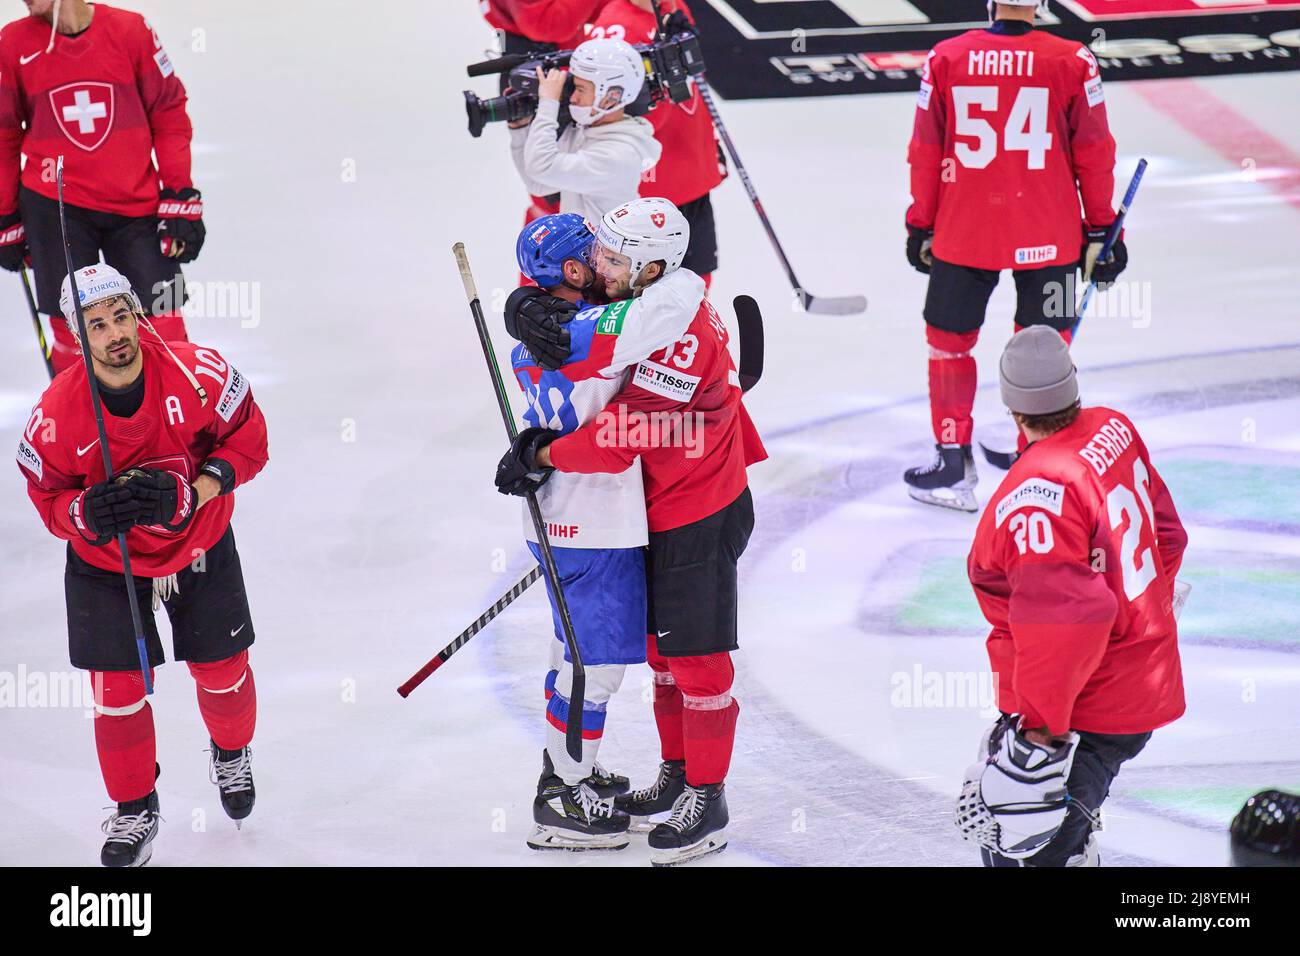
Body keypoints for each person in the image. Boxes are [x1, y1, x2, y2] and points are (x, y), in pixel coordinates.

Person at [500, 197, 766, 866]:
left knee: (699, 660)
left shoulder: (670, 328)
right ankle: (678, 777)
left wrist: (541, 455)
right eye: (598, 254)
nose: (600, 266)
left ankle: (707, 799)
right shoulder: (649, 298)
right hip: (652, 508)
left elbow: (623, 436)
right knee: (660, 656)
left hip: (697, 508)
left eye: (614, 258)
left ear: (651, 267)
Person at [16, 264, 268, 867]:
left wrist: (196, 491)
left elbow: (250, 438)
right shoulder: (54, 414)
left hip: (198, 541)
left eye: (121, 316)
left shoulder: (198, 372)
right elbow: (46, 497)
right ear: (77, 336)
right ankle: (134, 808)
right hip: (107, 562)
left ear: (138, 313)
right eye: (96, 324)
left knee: (222, 670)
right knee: (116, 691)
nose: (113, 334)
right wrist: (83, 512)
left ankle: (231, 752)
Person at [959, 327, 1186, 866]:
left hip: (1086, 703)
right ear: (1073, 385)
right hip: (1139, 680)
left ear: (1013, 409)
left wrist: (1040, 733)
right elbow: (1169, 537)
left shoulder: (1038, 493)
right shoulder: (1114, 428)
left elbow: (1064, 626)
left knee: (1022, 852)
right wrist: (1145, 611)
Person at [902, 0, 1123, 511]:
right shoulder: (1074, 61)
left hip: (965, 230)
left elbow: (925, 151)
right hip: (1052, 229)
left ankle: (953, 460)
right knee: (1045, 341)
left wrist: (921, 223)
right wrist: (1104, 226)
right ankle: (1038, 455)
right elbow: (1095, 151)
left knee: (949, 344)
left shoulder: (946, 58)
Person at [0, 1, 204, 374]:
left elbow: (169, 109)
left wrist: (179, 192)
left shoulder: (131, 31)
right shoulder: (12, 43)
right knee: (71, 328)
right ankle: (79, 428)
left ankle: (181, 420)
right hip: (54, 204)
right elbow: (4, 132)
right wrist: (5, 212)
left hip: (135, 199)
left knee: (165, 318)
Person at [589, 0, 724, 286]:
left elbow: (689, 86)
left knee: (697, 276)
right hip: (652, 191)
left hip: (690, 172)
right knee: (647, 289)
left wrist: (707, 147)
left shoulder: (673, 8)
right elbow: (607, 114)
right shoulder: (614, 28)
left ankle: (693, 332)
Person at [480, 0, 608, 228]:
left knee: (571, 186)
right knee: (555, 194)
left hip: (552, 67)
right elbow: (547, 23)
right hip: (542, 76)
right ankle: (555, 254)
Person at [509, 37, 661, 226]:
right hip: (584, 253)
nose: (573, 97)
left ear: (611, 96)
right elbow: (537, 184)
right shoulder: (588, 133)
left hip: (606, 255)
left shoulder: (618, 156)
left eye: (581, 89)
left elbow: (541, 167)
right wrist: (520, 128)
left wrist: (548, 103)